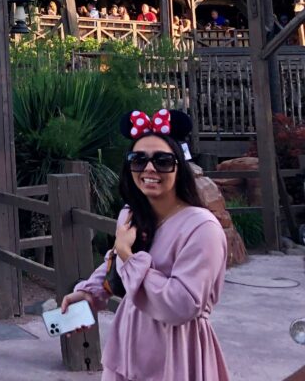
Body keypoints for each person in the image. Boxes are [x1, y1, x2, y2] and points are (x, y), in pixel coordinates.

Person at [61, 109, 230, 381]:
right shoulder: (131, 213)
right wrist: (92, 293)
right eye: (138, 160)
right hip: (128, 343)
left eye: (162, 161)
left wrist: (128, 256)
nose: (149, 169)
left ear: (180, 166)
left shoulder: (202, 229)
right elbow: (115, 263)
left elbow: (181, 305)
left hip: (176, 352)